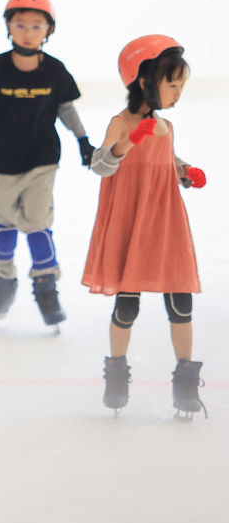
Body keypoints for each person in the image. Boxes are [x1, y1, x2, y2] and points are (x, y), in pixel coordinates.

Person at [82, 35, 206, 418]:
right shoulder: (120, 123)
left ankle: (186, 384)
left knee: (181, 301)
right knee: (127, 304)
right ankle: (116, 375)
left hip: (166, 221)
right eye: (173, 84)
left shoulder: (166, 126)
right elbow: (100, 165)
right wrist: (128, 142)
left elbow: (164, 161)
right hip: (131, 221)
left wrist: (185, 171)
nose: (178, 92)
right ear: (144, 81)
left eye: (182, 85)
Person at [0, 0, 95, 329]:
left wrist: (82, 140)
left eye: (36, 25)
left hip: (41, 160)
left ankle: (46, 287)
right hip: (0, 162)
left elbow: (66, 109)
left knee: (38, 223)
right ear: (8, 27)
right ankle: (3, 286)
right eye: (20, 24)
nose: (27, 32)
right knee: (4, 227)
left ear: (49, 30)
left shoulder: (54, 70)